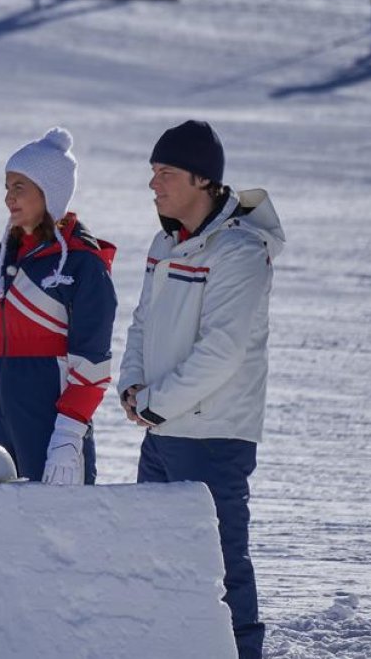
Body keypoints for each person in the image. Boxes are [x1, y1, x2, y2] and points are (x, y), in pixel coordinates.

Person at [117, 120, 285, 659]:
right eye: (153, 172)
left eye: (165, 173)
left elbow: (223, 352)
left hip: (212, 435)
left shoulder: (239, 250)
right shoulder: (165, 243)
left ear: (203, 180)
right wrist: (132, 388)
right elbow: (142, 323)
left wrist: (154, 404)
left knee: (220, 566)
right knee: (157, 560)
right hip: (162, 431)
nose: (154, 184)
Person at [0, 127, 117, 485]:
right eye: (7, 187)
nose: (8, 198)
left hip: (51, 426)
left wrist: (69, 433)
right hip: (1, 424)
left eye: (19, 187)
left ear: (50, 193)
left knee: (59, 532)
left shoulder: (81, 265)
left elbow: (93, 361)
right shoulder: (1, 268)